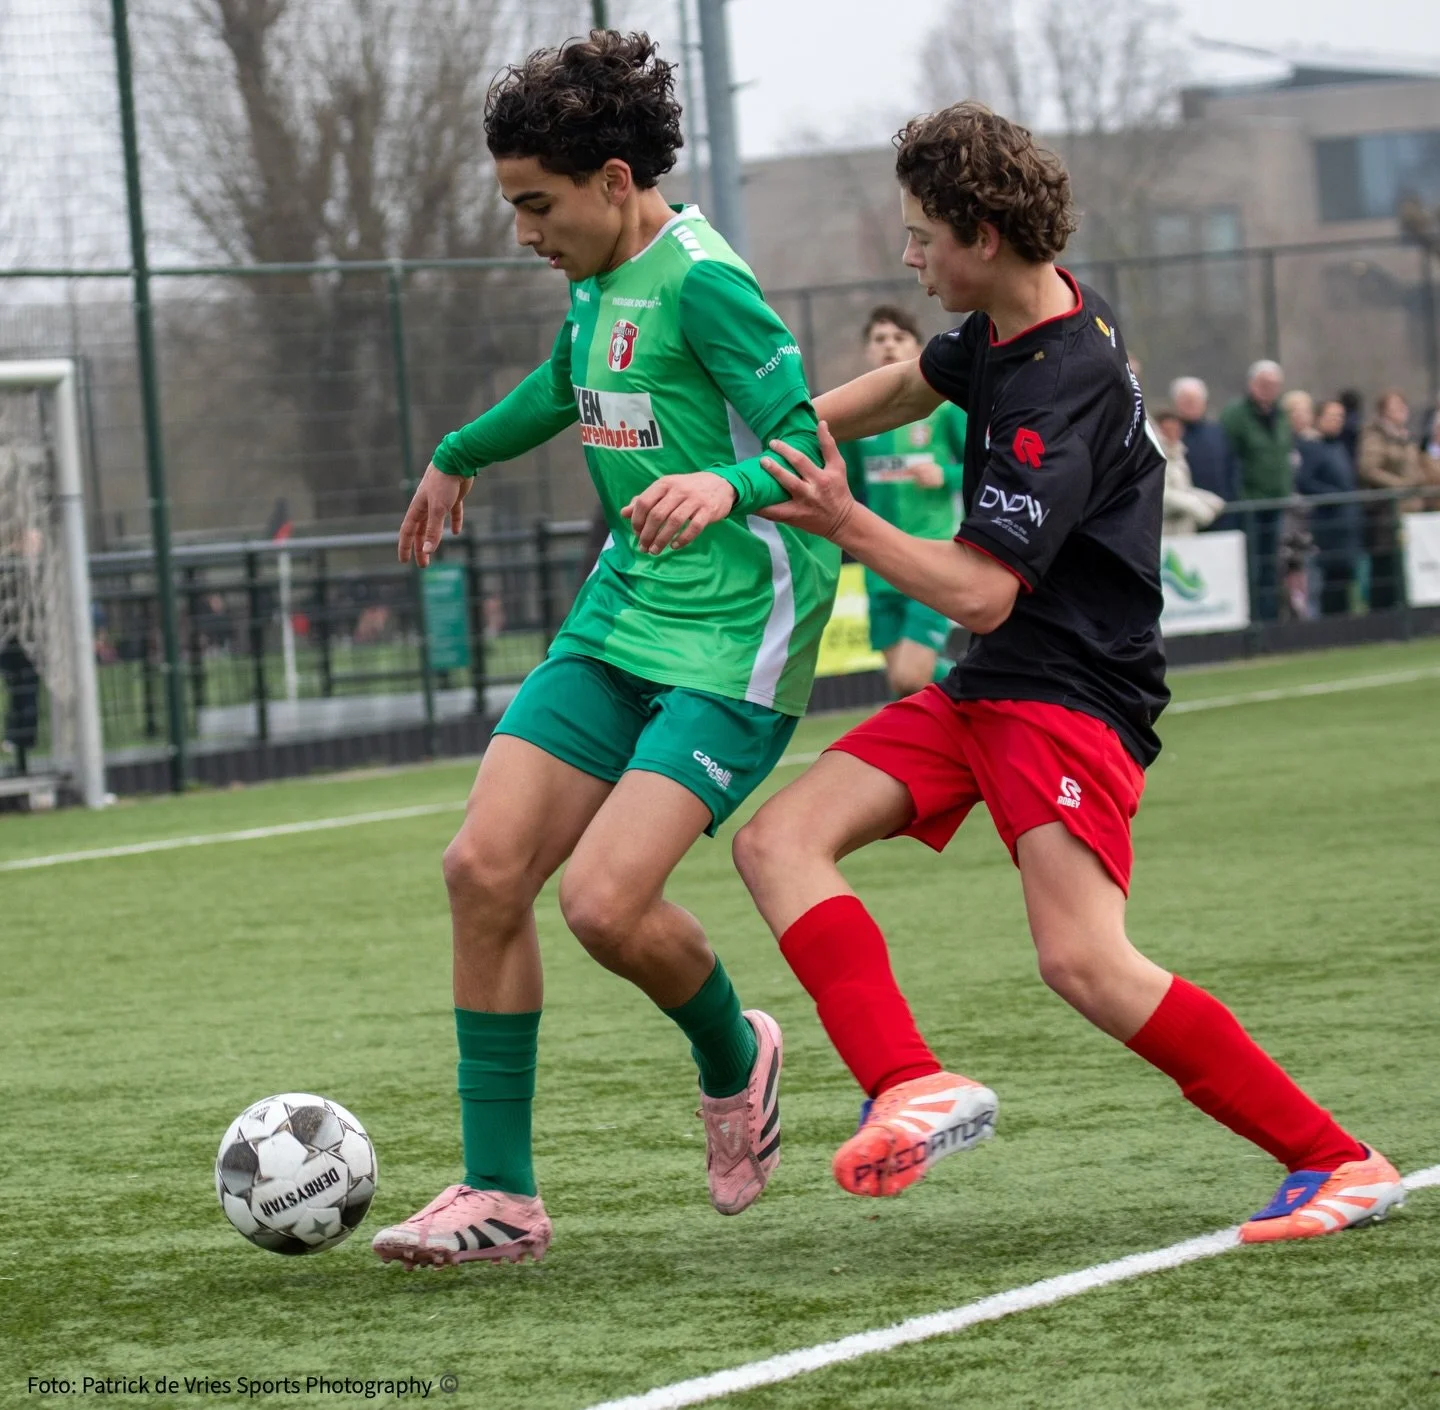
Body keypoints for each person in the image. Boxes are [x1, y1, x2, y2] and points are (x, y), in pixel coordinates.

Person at [730, 100, 1401, 1245]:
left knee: (1085, 962)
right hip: (993, 683)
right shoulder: (1014, 316)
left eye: (922, 236)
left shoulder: (1058, 384)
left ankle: (1340, 1161)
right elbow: (902, 391)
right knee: (777, 839)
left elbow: (985, 589)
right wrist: (754, 451)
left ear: (983, 233)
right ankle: (910, 1083)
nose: (908, 257)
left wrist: (840, 516)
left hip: (1069, 695)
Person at [372, 31, 839, 1268]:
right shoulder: (595, 278)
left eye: (538, 205)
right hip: (627, 607)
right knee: (482, 869)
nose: (525, 231)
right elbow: (571, 379)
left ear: (617, 180)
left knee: (602, 903)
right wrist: (460, 451)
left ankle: (739, 1054)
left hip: (737, 630)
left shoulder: (704, 280)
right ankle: (502, 1198)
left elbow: (809, 452)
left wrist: (726, 486)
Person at [839, 305, 967, 696]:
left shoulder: (944, 407)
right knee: (904, 687)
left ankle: (991, 688)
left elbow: (989, 466)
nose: (889, 346)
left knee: (911, 677)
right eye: (879, 340)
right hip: (878, 565)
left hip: (929, 556)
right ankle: (976, 703)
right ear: (867, 351)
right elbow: (847, 485)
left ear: (917, 347)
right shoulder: (857, 415)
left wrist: (945, 475)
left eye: (898, 338)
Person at [1221, 361, 1292, 621]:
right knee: (1252, 565)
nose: (1269, 390)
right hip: (1250, 505)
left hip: (1276, 503)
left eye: (1274, 385)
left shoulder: (1281, 415)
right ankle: (1253, 621)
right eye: (1264, 384)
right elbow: (1229, 459)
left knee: (1273, 565)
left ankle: (1271, 618)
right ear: (1252, 385)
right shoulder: (1236, 415)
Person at [1288, 394, 1358, 617]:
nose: (1337, 421)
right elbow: (1304, 481)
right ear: (1318, 418)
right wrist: (1333, 496)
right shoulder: (1311, 448)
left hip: (1346, 523)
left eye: (1340, 417)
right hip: (1325, 525)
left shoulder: (1339, 447)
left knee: (1344, 579)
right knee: (1325, 581)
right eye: (1331, 416)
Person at [1356, 390, 1422, 611]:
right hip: (1386, 511)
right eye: (1394, 407)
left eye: (1403, 406)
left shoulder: (1407, 436)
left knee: (1410, 564)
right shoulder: (1375, 436)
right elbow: (1369, 468)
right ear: (1383, 412)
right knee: (1385, 565)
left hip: (1410, 509)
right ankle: (1382, 615)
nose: (1401, 411)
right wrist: (1399, 485)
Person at [1170, 376, 1240, 511]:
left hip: (1221, 508)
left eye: (1195, 400)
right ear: (1176, 403)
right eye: (1186, 400)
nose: (1191, 404)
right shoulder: (1169, 436)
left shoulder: (1218, 432)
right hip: (1187, 512)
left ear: (1204, 402)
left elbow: (1232, 467)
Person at [1154, 407, 1223, 535]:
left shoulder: (1179, 453)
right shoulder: (1152, 456)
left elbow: (1184, 488)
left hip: (1184, 528)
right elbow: (1160, 493)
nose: (1172, 434)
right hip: (1163, 529)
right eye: (1167, 430)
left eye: (1176, 429)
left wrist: (1207, 499)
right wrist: (1193, 504)